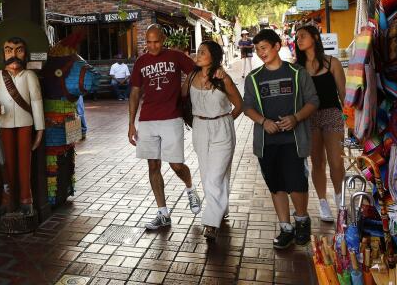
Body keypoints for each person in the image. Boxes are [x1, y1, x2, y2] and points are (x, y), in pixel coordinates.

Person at [243, 29, 319, 249]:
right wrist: (263, 121)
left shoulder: (297, 72)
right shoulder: (254, 78)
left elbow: (313, 101)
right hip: (267, 143)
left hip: (294, 140)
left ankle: (302, 221)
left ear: (277, 46)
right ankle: (286, 228)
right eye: (257, 49)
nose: (260, 53)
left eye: (264, 48)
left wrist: (296, 118)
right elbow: (247, 106)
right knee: (276, 186)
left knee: (296, 183)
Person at [128, 24, 204, 230]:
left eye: (156, 41)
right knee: (153, 166)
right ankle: (163, 213)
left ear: (163, 40)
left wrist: (184, 90)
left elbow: (196, 73)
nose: (152, 46)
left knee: (176, 164)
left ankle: (190, 189)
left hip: (172, 118)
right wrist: (131, 124)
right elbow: (135, 93)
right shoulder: (141, 62)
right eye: (149, 42)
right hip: (148, 120)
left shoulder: (176, 56)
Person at [184, 40, 243, 240]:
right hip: (200, 128)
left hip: (221, 129)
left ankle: (211, 222)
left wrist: (224, 121)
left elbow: (239, 104)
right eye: (197, 51)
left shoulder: (222, 78)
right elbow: (181, 97)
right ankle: (221, 208)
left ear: (214, 56)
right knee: (209, 174)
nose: (198, 54)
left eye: (203, 52)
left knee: (214, 178)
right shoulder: (192, 76)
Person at [0, 36, 45, 217]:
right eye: (9, 50)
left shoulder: (30, 76)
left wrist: (40, 130)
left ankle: (26, 200)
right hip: (5, 124)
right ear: (3, 53)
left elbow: (36, 102)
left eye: (19, 50)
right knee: (6, 163)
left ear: (25, 54)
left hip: (26, 124)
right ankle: (7, 200)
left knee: (25, 163)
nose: (14, 54)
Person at [294, 24, 346, 223]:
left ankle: (340, 200)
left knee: (336, 162)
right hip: (309, 118)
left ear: (315, 37)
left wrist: (349, 119)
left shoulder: (332, 62)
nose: (299, 40)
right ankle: (323, 202)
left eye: (303, 36)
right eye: (297, 37)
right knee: (317, 163)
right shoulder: (296, 68)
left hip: (332, 114)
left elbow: (343, 94)